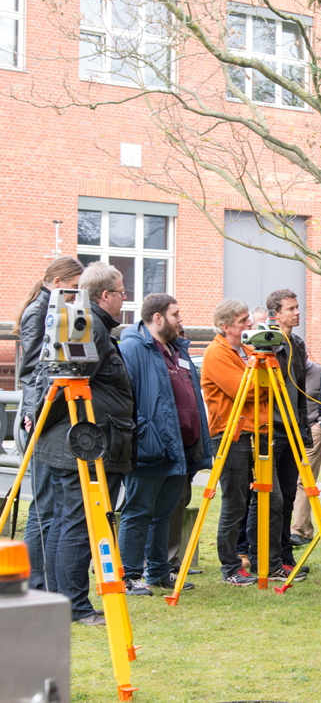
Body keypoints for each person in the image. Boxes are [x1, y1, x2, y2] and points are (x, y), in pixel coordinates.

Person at [37, 262, 136, 625]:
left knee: (69, 523)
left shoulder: (92, 325)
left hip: (82, 441)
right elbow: (69, 384)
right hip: (85, 443)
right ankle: (74, 606)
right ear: (105, 295)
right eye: (122, 291)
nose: (125, 297)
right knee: (79, 526)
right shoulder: (90, 327)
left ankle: (64, 601)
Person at [118, 294, 213, 595]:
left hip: (180, 447)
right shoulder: (133, 348)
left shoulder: (176, 350)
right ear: (157, 318)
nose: (181, 320)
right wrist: (143, 434)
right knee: (138, 510)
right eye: (176, 314)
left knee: (166, 510)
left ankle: (159, 572)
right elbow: (125, 397)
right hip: (150, 446)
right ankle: (130, 575)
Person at [14, 255, 83, 591]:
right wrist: (32, 413)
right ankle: (33, 579)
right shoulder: (38, 311)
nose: (74, 297)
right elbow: (29, 371)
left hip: (49, 405)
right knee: (43, 503)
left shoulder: (54, 308)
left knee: (50, 503)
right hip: (39, 410)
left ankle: (42, 579)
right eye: (72, 290)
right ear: (58, 283)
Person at [200, 298, 275, 585]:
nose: (250, 325)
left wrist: (263, 383)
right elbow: (247, 389)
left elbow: (273, 384)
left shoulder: (246, 350)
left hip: (258, 432)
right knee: (235, 502)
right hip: (230, 435)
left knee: (270, 498)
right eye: (244, 320)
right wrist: (262, 384)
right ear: (225, 326)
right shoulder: (216, 354)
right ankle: (230, 567)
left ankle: (262, 559)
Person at [264, 289, 310, 576]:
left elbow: (302, 390)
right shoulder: (266, 341)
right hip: (272, 427)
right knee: (273, 498)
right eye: (290, 308)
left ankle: (285, 554)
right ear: (275, 313)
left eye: (297, 307)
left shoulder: (298, 344)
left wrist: (303, 427)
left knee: (290, 496)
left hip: (293, 427)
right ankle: (267, 557)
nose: (296, 312)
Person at [290, 359, 321, 546]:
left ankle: (297, 530)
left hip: (312, 431)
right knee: (289, 480)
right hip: (288, 431)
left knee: (303, 480)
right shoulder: (286, 371)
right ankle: (306, 529)